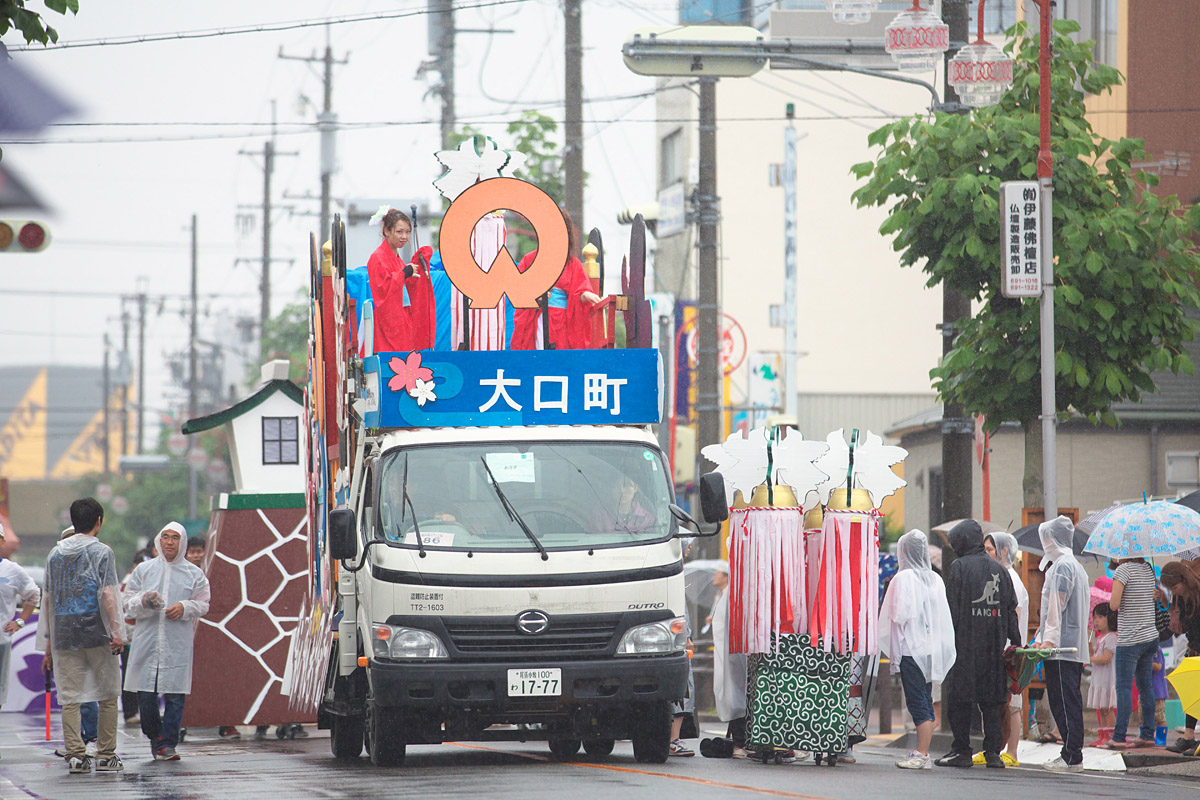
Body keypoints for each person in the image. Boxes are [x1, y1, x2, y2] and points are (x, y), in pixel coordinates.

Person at [38, 498, 126, 774]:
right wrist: (117, 631)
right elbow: (108, 593)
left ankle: (76, 755)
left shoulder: (55, 555)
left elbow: (48, 600)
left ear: (74, 521)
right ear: (98, 521)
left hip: (64, 635)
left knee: (70, 697)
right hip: (98, 633)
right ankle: (106, 754)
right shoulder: (103, 553)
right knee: (108, 694)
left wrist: (48, 645)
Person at [123, 521, 211, 761]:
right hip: (147, 639)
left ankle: (168, 743)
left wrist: (185, 607)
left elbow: (204, 603)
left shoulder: (194, 573)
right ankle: (155, 735)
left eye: (175, 538)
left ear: (181, 542)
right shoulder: (144, 570)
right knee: (146, 693)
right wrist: (144, 601)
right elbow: (126, 601)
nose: (170, 542)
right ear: (158, 542)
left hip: (176, 641)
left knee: (175, 693)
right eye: (165, 537)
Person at [936, 519, 1019, 769]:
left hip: (964, 646)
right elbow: (1010, 610)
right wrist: (1016, 643)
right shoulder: (1000, 570)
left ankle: (961, 751)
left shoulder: (959, 567)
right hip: (994, 648)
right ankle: (992, 752)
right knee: (991, 702)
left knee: (960, 700)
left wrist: (946, 642)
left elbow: (952, 610)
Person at [878, 530, 956, 771]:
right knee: (926, 697)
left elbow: (899, 614)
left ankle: (921, 753)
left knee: (917, 701)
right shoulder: (935, 579)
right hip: (931, 649)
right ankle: (922, 751)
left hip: (911, 649)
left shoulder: (903, 579)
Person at [1031, 516, 1090, 773]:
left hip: (1061, 648)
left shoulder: (1062, 567)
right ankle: (1070, 751)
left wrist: (1047, 641)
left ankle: (1072, 755)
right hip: (1068, 646)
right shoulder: (1073, 565)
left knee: (1064, 701)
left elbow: (1055, 607)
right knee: (1067, 699)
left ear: (1053, 539)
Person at [509, 208, 600, 351]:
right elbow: (517, 289)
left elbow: (579, 290)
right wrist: (535, 297)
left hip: (562, 322)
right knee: (537, 354)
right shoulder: (529, 260)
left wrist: (584, 295)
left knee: (559, 360)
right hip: (536, 320)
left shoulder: (572, 263)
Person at [979, 531, 1028, 766]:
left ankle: (1013, 751)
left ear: (1003, 551)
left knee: (1013, 704)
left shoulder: (1009, 580)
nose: (986, 554)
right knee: (1003, 703)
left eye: (989, 549)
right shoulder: (1001, 576)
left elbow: (1013, 618)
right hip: (1003, 649)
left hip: (1010, 650)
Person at [1106, 554, 1159, 749]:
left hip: (1130, 639)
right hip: (1149, 636)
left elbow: (1114, 604)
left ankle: (1119, 736)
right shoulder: (1147, 568)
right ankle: (1147, 734)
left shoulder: (1123, 570)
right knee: (1145, 687)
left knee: (1124, 688)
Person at [364, 208, 436, 352]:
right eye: (399, 232)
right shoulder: (377, 258)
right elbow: (382, 291)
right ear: (387, 231)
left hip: (401, 319)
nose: (404, 236)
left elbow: (407, 284)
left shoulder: (397, 259)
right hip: (389, 321)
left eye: (408, 232)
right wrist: (404, 274)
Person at [1160, 561, 1200, 753]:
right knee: (1193, 693)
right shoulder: (1182, 598)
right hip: (1194, 647)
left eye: (1175, 587)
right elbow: (1181, 627)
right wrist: (1165, 602)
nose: (1175, 591)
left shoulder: (1198, 593)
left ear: (1185, 580)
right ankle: (1188, 737)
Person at [708, 563, 747, 753]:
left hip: (736, 648)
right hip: (736, 648)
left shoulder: (733, 592)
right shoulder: (733, 592)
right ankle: (742, 740)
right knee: (738, 688)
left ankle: (742, 740)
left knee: (737, 687)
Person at [0, 523, 40, 710]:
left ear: (2, 542)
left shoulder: (12, 570)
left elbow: (33, 594)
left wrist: (20, 621)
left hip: (1, 640)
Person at [1087, 603, 1118, 747]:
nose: (1096, 621)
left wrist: (1090, 659)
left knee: (1108, 708)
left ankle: (1110, 736)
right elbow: (1095, 655)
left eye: (1100, 617)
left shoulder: (1111, 637)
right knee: (1102, 708)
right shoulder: (1100, 638)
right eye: (1094, 618)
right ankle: (1102, 735)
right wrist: (1089, 650)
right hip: (1099, 678)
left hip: (1107, 679)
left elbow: (1106, 658)